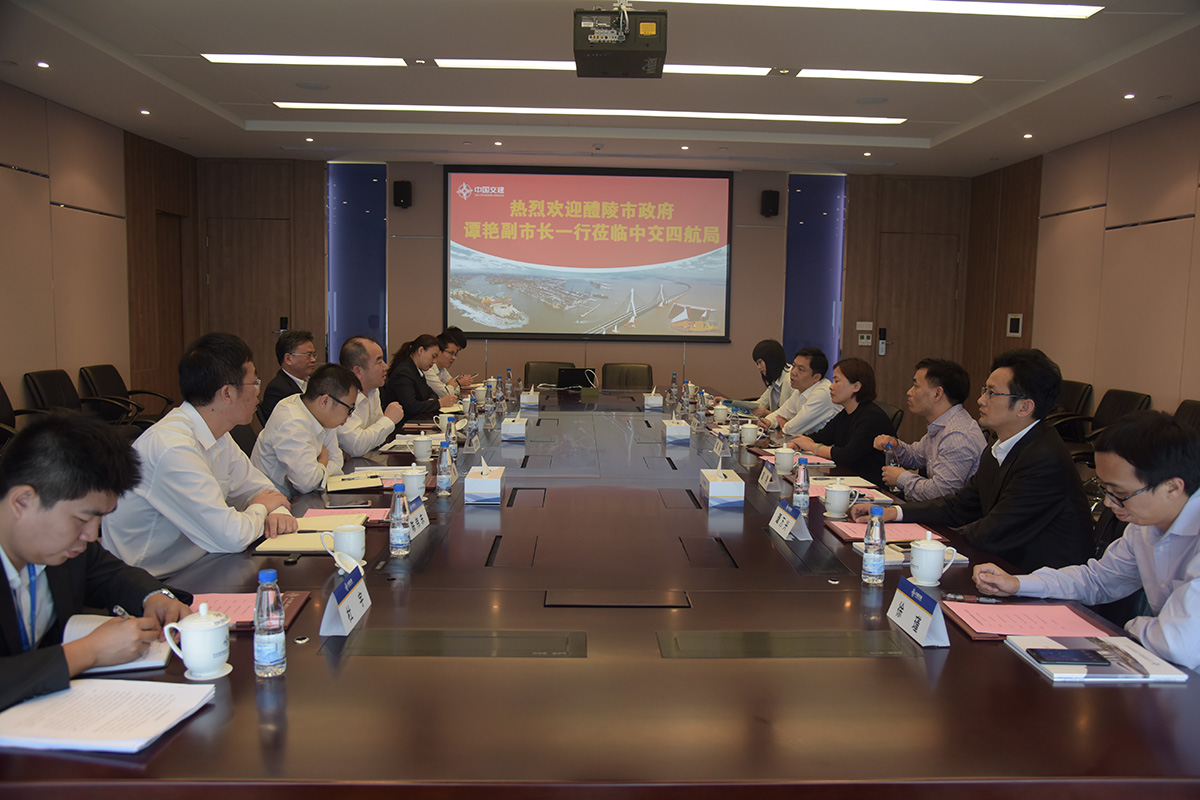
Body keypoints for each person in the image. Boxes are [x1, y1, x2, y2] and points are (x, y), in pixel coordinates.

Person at [974, 411, 1200, 670]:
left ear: (1172, 487)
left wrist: (1131, 626)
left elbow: (1177, 643)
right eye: (1106, 490)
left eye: (1120, 493)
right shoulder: (1145, 527)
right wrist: (1018, 584)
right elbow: (1098, 580)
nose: (1108, 503)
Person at [0, 414, 194, 712]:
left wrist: (156, 597)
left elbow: (111, 575)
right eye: (82, 519)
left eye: (100, 519)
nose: (92, 535)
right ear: (23, 501)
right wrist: (87, 651)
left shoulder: (62, 547)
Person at [851, 349, 1092, 572]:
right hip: (1003, 567)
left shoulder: (1044, 460)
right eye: (984, 390)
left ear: (1024, 407)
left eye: (992, 393)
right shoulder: (1001, 446)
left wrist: (928, 544)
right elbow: (960, 504)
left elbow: (995, 531)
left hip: (1040, 582)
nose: (980, 400)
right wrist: (894, 512)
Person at [102, 333, 299, 578]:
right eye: (254, 382)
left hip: (204, 562)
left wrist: (277, 511)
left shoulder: (218, 434)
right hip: (152, 581)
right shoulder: (172, 448)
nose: (259, 391)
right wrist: (262, 508)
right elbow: (232, 536)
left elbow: (262, 489)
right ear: (227, 393)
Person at [872, 358, 986, 501]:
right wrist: (895, 445)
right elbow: (915, 457)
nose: (909, 392)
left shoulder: (957, 435)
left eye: (916, 386)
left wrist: (901, 478)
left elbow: (941, 494)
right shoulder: (942, 425)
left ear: (937, 394)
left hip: (954, 515)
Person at [251, 364, 360, 497]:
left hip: (301, 497)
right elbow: (307, 483)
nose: (350, 415)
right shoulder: (292, 421)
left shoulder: (322, 415)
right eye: (349, 408)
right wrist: (324, 458)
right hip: (277, 501)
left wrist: (319, 466)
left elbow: (337, 461)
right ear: (325, 401)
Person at [789, 357, 894, 484]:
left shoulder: (871, 418)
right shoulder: (845, 414)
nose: (831, 387)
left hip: (870, 485)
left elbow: (846, 455)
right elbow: (820, 437)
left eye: (837, 381)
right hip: (847, 480)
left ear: (856, 386)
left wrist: (811, 446)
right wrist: (798, 443)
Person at [337, 336, 405, 457]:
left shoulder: (373, 390)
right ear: (358, 371)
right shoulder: (341, 396)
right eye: (379, 362)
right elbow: (357, 446)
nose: (386, 367)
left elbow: (378, 439)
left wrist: (375, 434)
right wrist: (389, 420)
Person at [381, 334, 458, 425]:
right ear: (420, 350)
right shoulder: (404, 372)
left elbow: (431, 393)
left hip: (417, 420)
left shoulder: (417, 370)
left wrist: (431, 401)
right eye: (433, 356)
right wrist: (439, 403)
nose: (434, 361)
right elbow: (411, 406)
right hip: (403, 425)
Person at [760, 347, 838, 437]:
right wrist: (768, 422)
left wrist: (785, 424)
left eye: (800, 369)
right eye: (794, 366)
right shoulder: (801, 390)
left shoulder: (823, 393)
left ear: (816, 377)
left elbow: (793, 429)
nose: (793, 372)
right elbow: (780, 413)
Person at [726, 339, 795, 417]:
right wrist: (728, 403)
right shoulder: (775, 381)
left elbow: (794, 418)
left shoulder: (792, 380)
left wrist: (767, 413)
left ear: (771, 360)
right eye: (757, 363)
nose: (758, 367)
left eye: (760, 362)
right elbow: (760, 404)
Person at [261, 330, 318, 421]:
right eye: (308, 355)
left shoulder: (315, 382)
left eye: (314, 355)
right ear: (288, 359)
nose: (313, 360)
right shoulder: (277, 390)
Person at [424, 326, 475, 398]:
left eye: (455, 354)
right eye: (451, 353)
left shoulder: (442, 369)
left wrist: (454, 384)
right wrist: (458, 383)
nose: (454, 358)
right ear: (439, 350)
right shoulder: (427, 369)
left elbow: (455, 391)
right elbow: (446, 393)